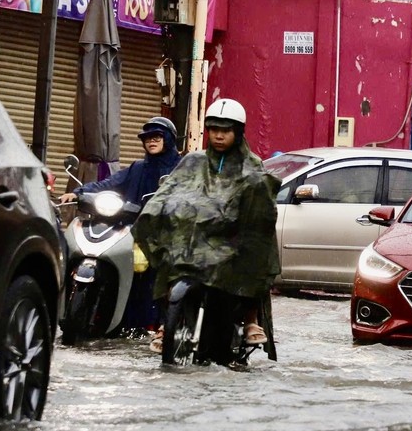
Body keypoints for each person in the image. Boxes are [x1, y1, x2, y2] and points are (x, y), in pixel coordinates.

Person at [133, 98, 281, 353]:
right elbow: (171, 190)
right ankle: (167, 323)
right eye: (214, 130)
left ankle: (250, 320)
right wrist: (157, 211)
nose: (219, 136)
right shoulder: (193, 161)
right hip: (195, 240)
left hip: (232, 240)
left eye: (225, 131)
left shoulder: (252, 165)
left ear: (238, 132)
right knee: (171, 257)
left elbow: (260, 203)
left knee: (261, 246)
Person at [59, 116, 182, 332]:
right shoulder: (138, 168)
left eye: (157, 137)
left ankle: (159, 325)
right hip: (132, 227)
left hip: (166, 231)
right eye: (147, 138)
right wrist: (78, 192)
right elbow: (111, 182)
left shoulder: (180, 169)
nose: (151, 141)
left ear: (169, 140)